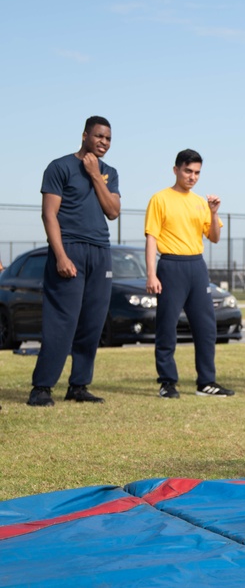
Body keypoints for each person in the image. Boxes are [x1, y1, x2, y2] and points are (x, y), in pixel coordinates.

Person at [27, 116, 120, 407]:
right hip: (70, 248)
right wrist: (61, 255)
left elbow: (113, 211)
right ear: (84, 136)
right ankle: (41, 388)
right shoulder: (60, 167)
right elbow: (49, 215)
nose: (103, 142)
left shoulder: (109, 172)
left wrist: (95, 174)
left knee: (92, 321)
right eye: (99, 136)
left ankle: (78, 385)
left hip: (100, 251)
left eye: (108, 138)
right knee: (61, 322)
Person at [145, 149, 234, 399]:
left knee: (206, 327)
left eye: (196, 172)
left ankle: (206, 382)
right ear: (176, 170)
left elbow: (214, 238)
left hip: (197, 266)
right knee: (167, 326)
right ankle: (167, 382)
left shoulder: (200, 203)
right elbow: (151, 238)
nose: (192, 176)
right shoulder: (160, 199)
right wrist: (151, 274)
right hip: (171, 266)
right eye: (188, 171)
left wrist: (214, 212)